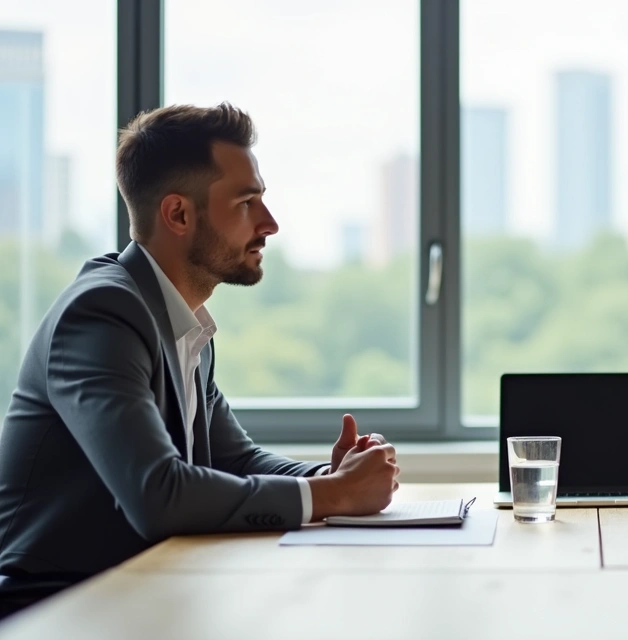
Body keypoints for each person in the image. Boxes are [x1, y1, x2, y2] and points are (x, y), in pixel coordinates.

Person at [0, 103, 400, 614]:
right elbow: (158, 494)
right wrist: (336, 497)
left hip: (142, 594)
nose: (270, 223)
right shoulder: (102, 314)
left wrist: (327, 476)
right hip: (58, 609)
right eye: (246, 202)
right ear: (179, 214)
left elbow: (236, 460)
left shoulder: (181, 322)